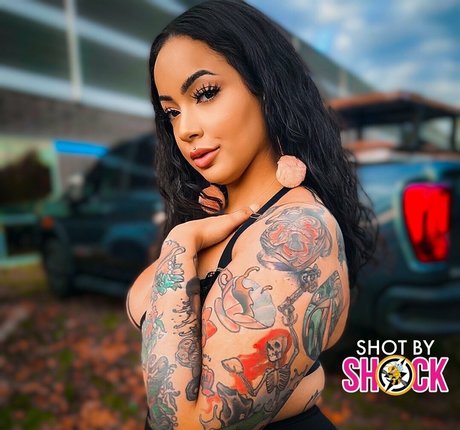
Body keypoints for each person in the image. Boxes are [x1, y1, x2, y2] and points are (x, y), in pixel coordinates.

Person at [126, 1, 377, 429]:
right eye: (172, 111)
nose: (185, 129)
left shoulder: (300, 231)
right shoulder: (215, 215)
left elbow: (183, 423)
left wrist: (180, 244)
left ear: (267, 86)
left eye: (205, 93)